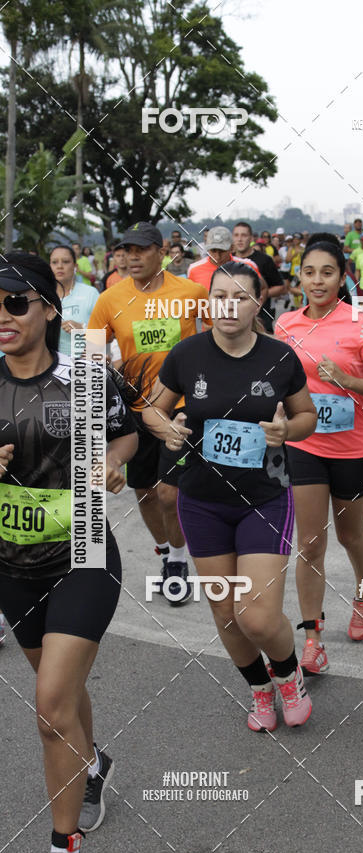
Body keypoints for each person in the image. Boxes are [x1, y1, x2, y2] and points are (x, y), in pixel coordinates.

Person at [0, 251, 138, 853]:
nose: (2, 315)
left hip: (83, 550)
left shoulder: (84, 376)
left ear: (48, 309)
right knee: (61, 690)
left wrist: (113, 459)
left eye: (14, 302)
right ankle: (93, 761)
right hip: (13, 564)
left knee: (51, 707)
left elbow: (127, 432)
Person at [142, 261, 317, 730]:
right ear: (208, 301)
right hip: (201, 500)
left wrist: (286, 429)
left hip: (265, 496)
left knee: (257, 616)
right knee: (225, 611)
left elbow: (307, 418)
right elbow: (152, 411)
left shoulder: (280, 357)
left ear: (258, 302)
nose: (228, 305)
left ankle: (288, 673)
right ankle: (260, 689)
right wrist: (168, 430)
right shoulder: (186, 355)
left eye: (240, 296)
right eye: (220, 295)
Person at [275, 241, 363, 675]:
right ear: (300, 277)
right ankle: (312, 638)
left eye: (327, 272)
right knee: (310, 544)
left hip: (353, 448)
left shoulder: (361, 324)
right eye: (309, 272)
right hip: (305, 447)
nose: (317, 281)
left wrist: (346, 379)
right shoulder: (286, 324)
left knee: (351, 536)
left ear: (342, 276)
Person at [87, 222, 210, 604]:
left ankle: (177, 559)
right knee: (144, 492)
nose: (132, 257)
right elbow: (92, 352)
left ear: (162, 253)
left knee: (170, 493)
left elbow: (219, 335)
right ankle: (164, 547)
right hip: (135, 410)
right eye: (127, 250)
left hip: (181, 408)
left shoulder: (191, 292)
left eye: (141, 250)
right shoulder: (111, 298)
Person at [232, 222, 286, 332]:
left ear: (251, 238)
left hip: (262, 317)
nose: (240, 239)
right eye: (236, 235)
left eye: (244, 235)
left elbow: (280, 288)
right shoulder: (228, 260)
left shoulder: (265, 260)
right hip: (235, 318)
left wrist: (256, 295)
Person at [49, 246, 100, 356]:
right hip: (51, 366)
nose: (60, 266)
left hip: (85, 367)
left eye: (66, 262)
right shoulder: (43, 297)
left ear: (75, 266)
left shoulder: (91, 294)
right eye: (54, 262)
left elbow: (109, 334)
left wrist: (83, 328)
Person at [187, 226, 261, 291]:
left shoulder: (247, 266)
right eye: (213, 251)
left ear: (231, 248)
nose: (217, 256)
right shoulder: (194, 269)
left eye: (222, 251)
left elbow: (262, 289)